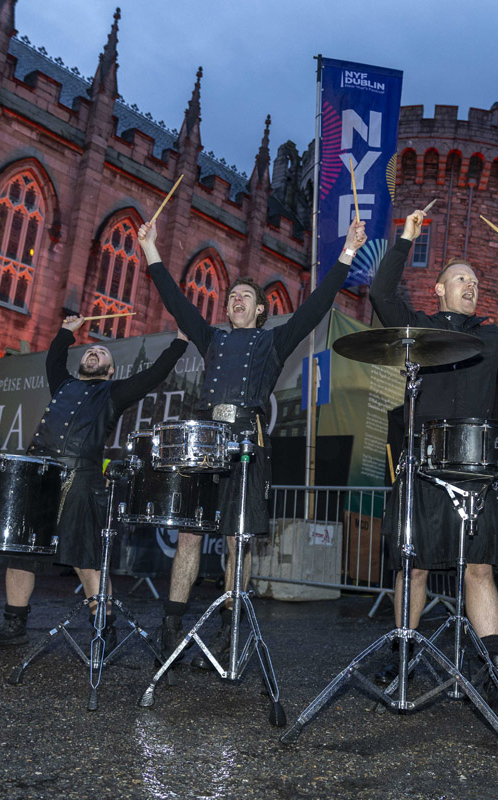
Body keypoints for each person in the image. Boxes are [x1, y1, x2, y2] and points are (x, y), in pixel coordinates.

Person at [138, 216, 366, 667]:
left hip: (245, 444)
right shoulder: (210, 338)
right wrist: (150, 248)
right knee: (188, 536)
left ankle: (231, 629)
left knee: (236, 541)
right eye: (231, 297)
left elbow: (316, 306)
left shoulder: (274, 342)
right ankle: (171, 626)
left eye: (245, 296)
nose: (236, 300)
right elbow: (176, 301)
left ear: (260, 309)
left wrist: (348, 252)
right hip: (204, 441)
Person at [369, 208, 498, 715]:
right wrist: (405, 239)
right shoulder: (419, 329)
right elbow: (382, 295)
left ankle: (494, 669)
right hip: (422, 464)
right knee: (412, 566)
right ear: (439, 290)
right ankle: (402, 654)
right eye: (461, 279)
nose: (471, 286)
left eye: (475, 281)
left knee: (479, 569)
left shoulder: (492, 338)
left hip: (474, 469)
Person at [0, 316, 189, 646]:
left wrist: (180, 342)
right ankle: (14, 626)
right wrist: (66, 331)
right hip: (40, 476)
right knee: (22, 555)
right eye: (90, 351)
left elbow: (154, 374)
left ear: (110, 371)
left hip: (82, 481)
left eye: (102, 353)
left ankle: (102, 629)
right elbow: (54, 360)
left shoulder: (114, 392)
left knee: (87, 559)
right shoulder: (63, 385)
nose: (94, 353)